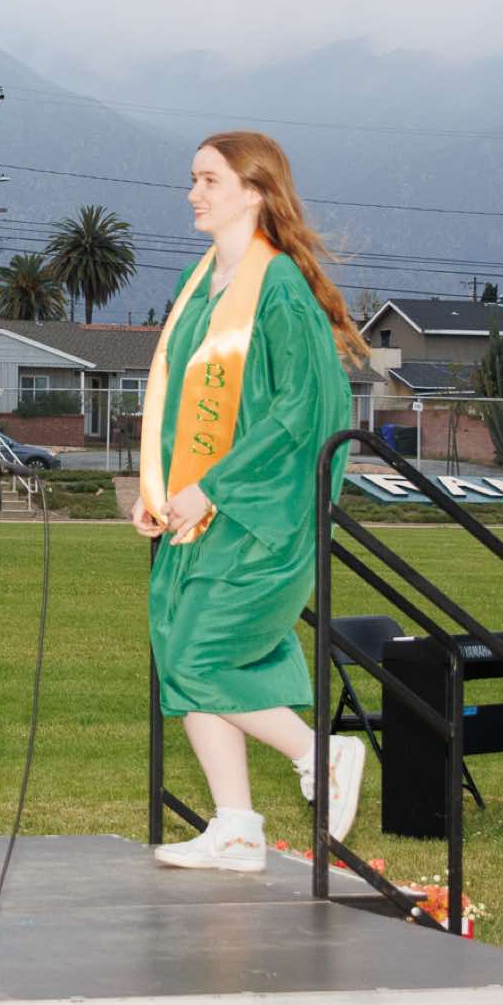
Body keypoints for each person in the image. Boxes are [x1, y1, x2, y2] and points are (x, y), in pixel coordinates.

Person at [131, 130, 371, 872]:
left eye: (210, 180)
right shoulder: (201, 283)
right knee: (181, 652)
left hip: (259, 514)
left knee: (199, 656)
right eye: (193, 178)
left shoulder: (281, 288)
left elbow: (304, 412)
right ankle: (235, 826)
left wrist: (213, 485)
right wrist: (158, 488)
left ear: (256, 191)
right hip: (200, 513)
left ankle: (319, 752)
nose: (193, 193)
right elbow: (178, 401)